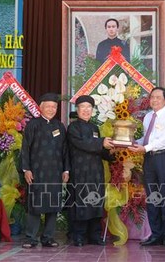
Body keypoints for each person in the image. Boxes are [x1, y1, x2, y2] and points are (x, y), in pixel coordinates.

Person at [128, 87, 165, 248]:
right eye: (152, 97)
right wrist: (135, 143)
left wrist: (145, 148)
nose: (154, 100)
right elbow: (147, 138)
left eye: (158, 97)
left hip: (164, 158)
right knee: (152, 197)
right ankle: (156, 234)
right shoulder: (148, 117)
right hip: (149, 159)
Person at [20, 93, 69, 248]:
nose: (51, 109)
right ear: (40, 107)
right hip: (37, 172)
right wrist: (26, 169)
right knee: (35, 205)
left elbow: (65, 151)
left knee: (53, 206)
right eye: (48, 106)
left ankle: (48, 237)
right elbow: (25, 149)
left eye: (54, 106)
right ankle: (30, 238)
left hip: (55, 173)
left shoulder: (60, 126)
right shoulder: (33, 125)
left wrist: (66, 170)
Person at [66, 95, 115, 246]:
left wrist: (110, 152)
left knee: (95, 202)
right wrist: (102, 142)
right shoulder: (73, 127)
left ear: (92, 110)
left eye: (89, 107)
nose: (86, 110)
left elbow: (98, 149)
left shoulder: (95, 128)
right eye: (83, 107)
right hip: (80, 172)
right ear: (78, 109)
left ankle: (94, 236)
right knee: (80, 203)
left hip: (95, 172)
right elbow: (83, 144)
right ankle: (79, 236)